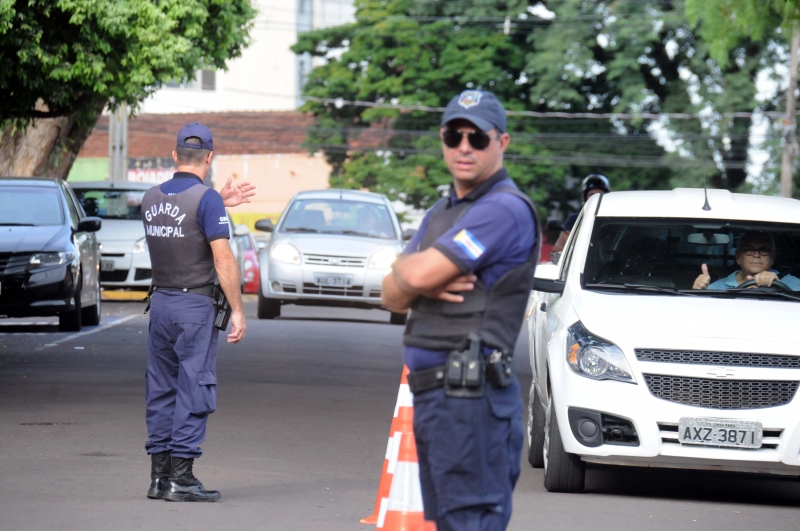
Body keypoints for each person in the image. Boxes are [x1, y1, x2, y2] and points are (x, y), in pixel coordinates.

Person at [381, 90, 539, 530]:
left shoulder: (504, 209)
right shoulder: (441, 212)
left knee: (470, 522)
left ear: (501, 143)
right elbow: (391, 295)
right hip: (438, 401)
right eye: (454, 135)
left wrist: (410, 270)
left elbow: (413, 278)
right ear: (443, 139)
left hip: (472, 401)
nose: (464, 146)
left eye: (478, 138)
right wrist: (409, 271)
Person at [141, 122, 252, 503]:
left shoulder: (151, 197)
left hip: (161, 304)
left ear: (174, 155)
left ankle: (159, 477)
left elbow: (181, 223)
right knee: (194, 387)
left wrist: (217, 201)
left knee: (161, 389)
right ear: (209, 157)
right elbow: (221, 257)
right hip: (194, 308)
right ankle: (182, 478)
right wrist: (238, 310)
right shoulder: (207, 201)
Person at [693, 231, 800, 290]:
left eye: (764, 250)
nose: (756, 254)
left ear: (772, 258)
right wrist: (698, 292)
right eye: (749, 249)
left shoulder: (790, 282)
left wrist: (777, 287)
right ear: (738, 257)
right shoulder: (717, 287)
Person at [551, 173, 610, 253]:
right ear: (585, 198)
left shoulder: (615, 220)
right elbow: (559, 248)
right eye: (592, 195)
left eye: (599, 195)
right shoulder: (575, 219)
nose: (596, 198)